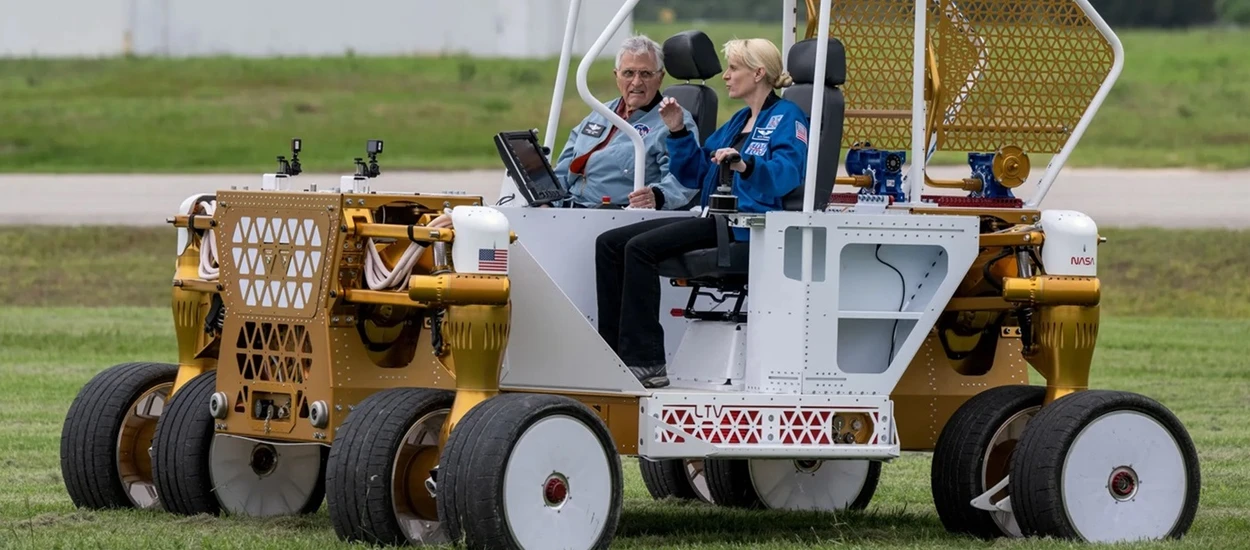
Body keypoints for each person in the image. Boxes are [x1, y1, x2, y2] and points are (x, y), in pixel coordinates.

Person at [595, 38, 810, 388]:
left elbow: (786, 174)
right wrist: (677, 129)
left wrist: (745, 164)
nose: (726, 76)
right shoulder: (739, 120)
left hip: (745, 227)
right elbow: (695, 173)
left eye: (734, 69)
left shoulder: (788, 117)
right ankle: (611, 351)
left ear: (758, 73)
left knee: (640, 249)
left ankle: (646, 361)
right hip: (714, 218)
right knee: (609, 244)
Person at [549, 35, 701, 210]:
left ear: (660, 77)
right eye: (628, 73)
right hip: (568, 208)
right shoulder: (600, 112)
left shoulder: (674, 120)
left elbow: (684, 180)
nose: (636, 82)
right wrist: (547, 200)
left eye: (646, 74)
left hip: (615, 215)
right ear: (617, 76)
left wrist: (656, 196)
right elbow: (562, 168)